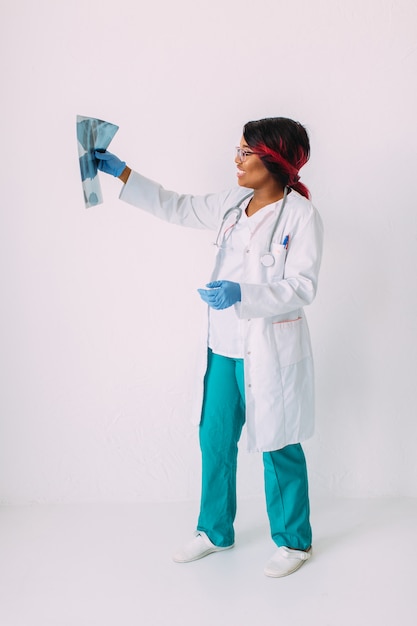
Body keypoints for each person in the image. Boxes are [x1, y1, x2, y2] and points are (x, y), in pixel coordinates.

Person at [95, 117, 323, 578]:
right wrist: (122, 173)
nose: (236, 161)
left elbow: (303, 286)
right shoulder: (232, 203)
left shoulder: (300, 216)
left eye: (245, 153)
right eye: (237, 151)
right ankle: (215, 531)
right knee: (215, 438)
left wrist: (245, 294)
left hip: (270, 349)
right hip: (225, 346)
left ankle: (294, 542)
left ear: (273, 160)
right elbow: (178, 207)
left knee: (278, 443)